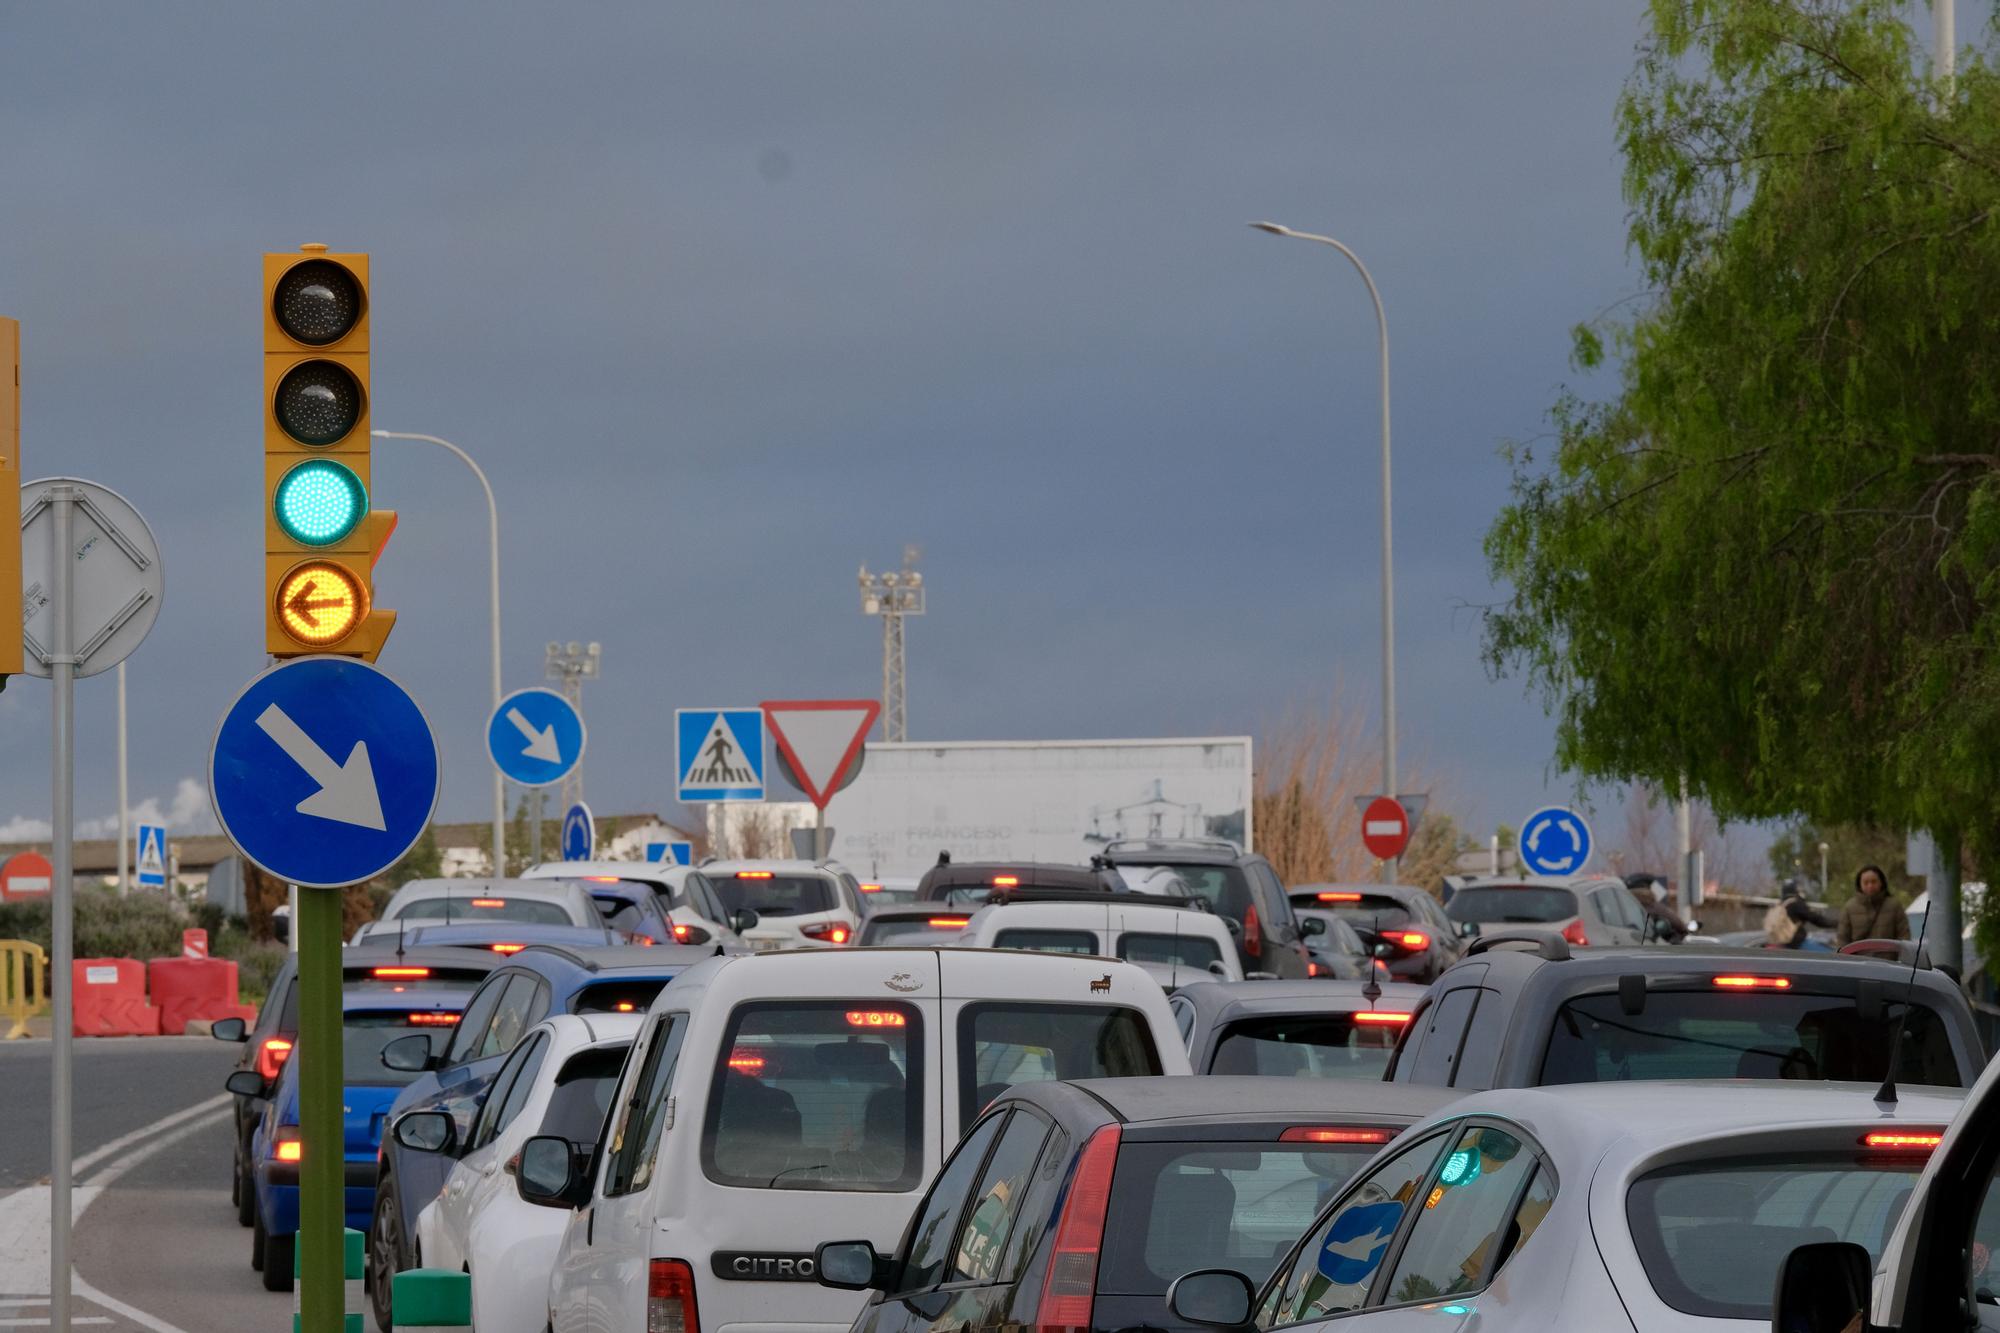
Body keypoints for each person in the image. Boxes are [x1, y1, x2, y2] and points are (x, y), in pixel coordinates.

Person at [1836, 864, 1910, 947]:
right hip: (1858, 959)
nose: (1870, 886)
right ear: (1860, 884)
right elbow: (1842, 939)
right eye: (1866, 882)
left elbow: (1904, 936)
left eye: (1874, 881)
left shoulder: (1894, 906)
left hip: (1887, 959)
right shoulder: (1849, 908)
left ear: (1881, 882)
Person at [1765, 879, 1836, 949]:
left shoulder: (1780, 905)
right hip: (1796, 944)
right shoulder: (1796, 904)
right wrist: (1835, 924)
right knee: (1829, 951)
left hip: (1782, 943)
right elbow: (1815, 918)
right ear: (1795, 890)